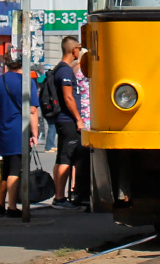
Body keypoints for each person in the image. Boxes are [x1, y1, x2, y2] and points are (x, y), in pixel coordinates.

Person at [0, 54, 39, 217]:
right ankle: (12, 207)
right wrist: (35, 133)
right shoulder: (27, 82)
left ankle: (0, 205)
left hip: (3, 132)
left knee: (3, 171)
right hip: (20, 132)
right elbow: (33, 110)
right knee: (15, 171)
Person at [51, 37, 86, 210]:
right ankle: (60, 198)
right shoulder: (65, 71)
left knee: (61, 157)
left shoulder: (60, 69)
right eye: (79, 48)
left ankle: (59, 196)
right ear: (73, 50)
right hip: (68, 120)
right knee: (67, 157)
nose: (79, 52)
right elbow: (68, 97)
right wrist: (78, 119)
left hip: (63, 120)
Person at [70, 49, 92, 207]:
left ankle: (79, 192)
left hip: (83, 118)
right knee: (85, 156)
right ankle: (82, 192)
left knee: (81, 157)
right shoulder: (85, 72)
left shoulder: (75, 70)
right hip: (88, 118)